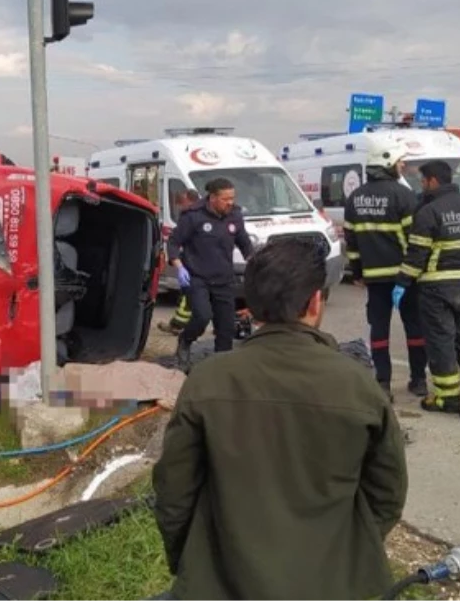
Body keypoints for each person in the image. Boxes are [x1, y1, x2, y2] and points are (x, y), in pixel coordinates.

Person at [152, 237, 408, 601]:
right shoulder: (358, 385)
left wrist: (191, 563)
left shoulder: (208, 380)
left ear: (251, 306)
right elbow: (387, 493)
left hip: (221, 582)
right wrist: (346, 555)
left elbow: (174, 490)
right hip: (330, 583)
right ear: (316, 301)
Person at [394, 160, 460, 414]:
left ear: (433, 180)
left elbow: (417, 254)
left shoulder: (429, 212)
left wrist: (402, 283)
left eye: (423, 181)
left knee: (440, 339)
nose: (422, 185)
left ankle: (447, 397)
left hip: (435, 286)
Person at [343, 136, 427, 399]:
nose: (402, 166)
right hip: (404, 277)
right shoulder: (403, 195)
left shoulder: (355, 198)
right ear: (388, 162)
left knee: (379, 330)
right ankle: (418, 380)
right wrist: (413, 271)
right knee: (414, 328)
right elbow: (414, 239)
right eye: (400, 162)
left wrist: (357, 273)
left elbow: (352, 241)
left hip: (374, 279)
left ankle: (382, 383)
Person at [166, 178, 254, 371]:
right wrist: (179, 266)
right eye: (225, 199)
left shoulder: (235, 215)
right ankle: (185, 340)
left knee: (226, 328)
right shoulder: (193, 216)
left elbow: (244, 243)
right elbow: (173, 242)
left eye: (232, 198)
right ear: (212, 198)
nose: (230, 202)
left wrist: (255, 261)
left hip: (223, 279)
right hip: (197, 278)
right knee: (202, 316)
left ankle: (221, 367)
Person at [159, 190, 202, 336]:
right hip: (195, 262)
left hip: (194, 264)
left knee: (187, 299)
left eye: (181, 203)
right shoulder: (202, 214)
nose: (178, 207)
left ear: (189, 200)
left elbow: (176, 240)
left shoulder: (191, 217)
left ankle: (177, 326)